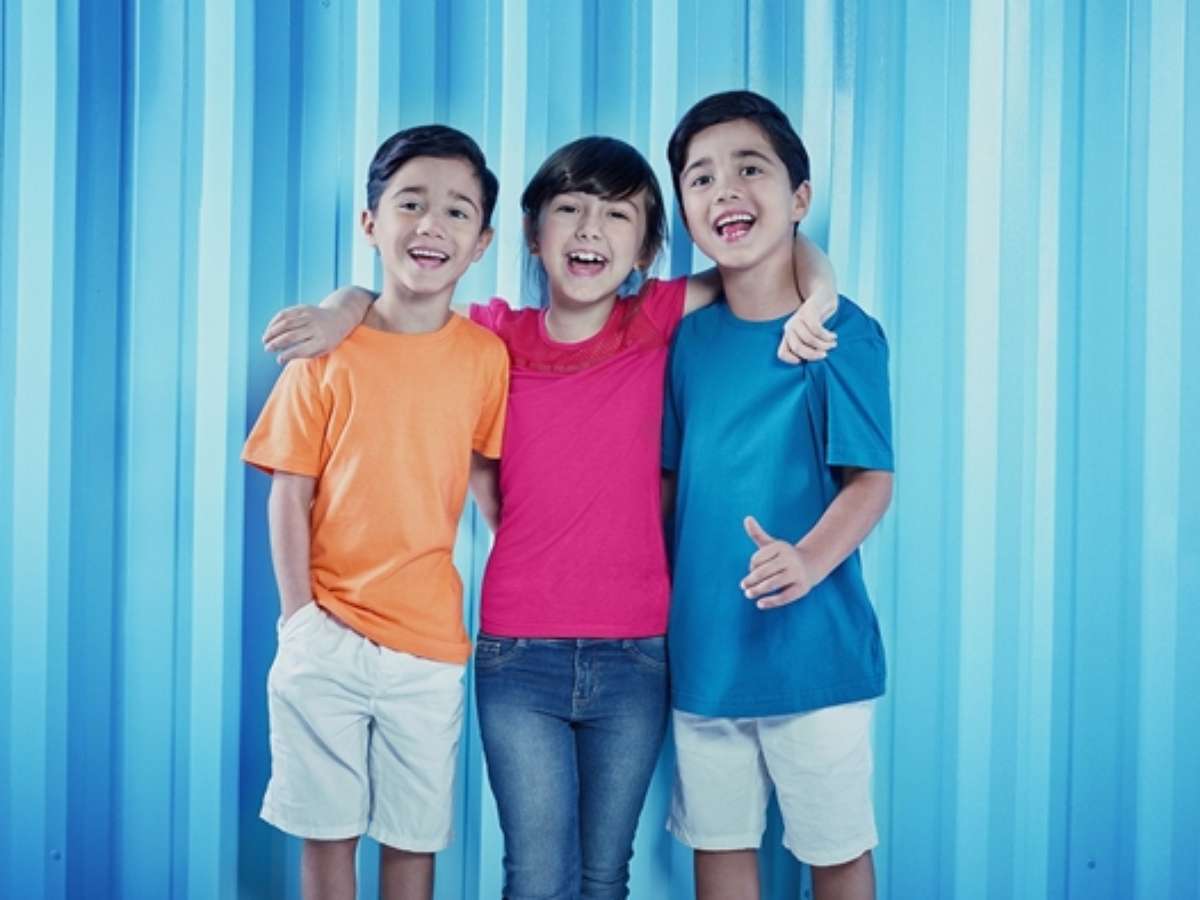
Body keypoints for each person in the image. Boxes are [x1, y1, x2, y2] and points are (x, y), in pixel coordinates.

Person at [263, 134, 837, 900]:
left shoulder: (653, 321)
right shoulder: (494, 337)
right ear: (531, 234)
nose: (590, 229)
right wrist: (341, 308)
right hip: (517, 654)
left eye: (617, 215)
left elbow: (772, 256)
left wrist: (822, 299)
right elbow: (404, 304)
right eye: (569, 209)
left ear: (645, 252)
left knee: (604, 878)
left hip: (636, 651)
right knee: (535, 879)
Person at [242, 124, 509, 900]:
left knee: (412, 842)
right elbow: (288, 493)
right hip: (326, 635)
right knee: (326, 839)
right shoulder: (322, 352)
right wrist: (300, 620)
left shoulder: (484, 357)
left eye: (457, 211)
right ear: (370, 222)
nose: (432, 225)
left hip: (428, 649)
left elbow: (486, 481)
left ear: (482, 243)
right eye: (410, 203)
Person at [661, 91, 894, 900]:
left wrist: (808, 559)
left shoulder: (841, 333)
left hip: (815, 656)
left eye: (749, 169)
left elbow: (871, 481)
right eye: (700, 178)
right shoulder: (683, 340)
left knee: (836, 850)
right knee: (719, 846)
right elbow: (667, 485)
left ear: (800, 197)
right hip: (705, 652)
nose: (724, 189)